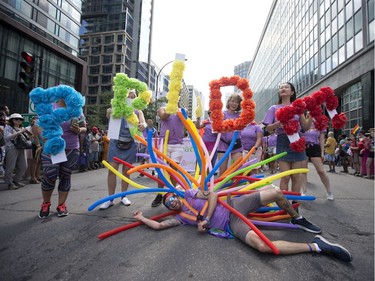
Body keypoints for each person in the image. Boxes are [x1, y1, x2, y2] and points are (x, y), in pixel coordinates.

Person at [133, 187, 352, 262]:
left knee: (276, 192)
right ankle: (317, 246)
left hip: (234, 204)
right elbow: (160, 226)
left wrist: (207, 219)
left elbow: (213, 195)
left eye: (172, 198)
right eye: (169, 204)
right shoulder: (181, 218)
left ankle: (295, 216)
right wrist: (143, 218)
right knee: (265, 247)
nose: (172, 202)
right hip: (233, 224)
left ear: (177, 196)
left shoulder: (190, 194)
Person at [38, 100, 87, 218]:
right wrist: (44, 137)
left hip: (71, 147)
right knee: (49, 175)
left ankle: (61, 205)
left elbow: (84, 127)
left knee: (66, 175)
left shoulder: (76, 109)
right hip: (53, 147)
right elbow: (39, 125)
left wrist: (78, 130)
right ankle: (46, 203)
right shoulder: (49, 107)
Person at [99, 90, 146, 210]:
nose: (130, 95)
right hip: (116, 143)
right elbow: (109, 114)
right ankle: (110, 199)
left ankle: (124, 196)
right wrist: (110, 112)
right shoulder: (117, 108)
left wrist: (142, 125)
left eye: (133, 94)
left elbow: (143, 122)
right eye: (128, 93)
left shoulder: (137, 111)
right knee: (112, 170)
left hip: (130, 144)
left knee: (126, 171)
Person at [262, 82, 312, 193]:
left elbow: (305, 127)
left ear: (292, 92)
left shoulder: (298, 108)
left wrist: (312, 114)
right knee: (285, 176)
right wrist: (278, 124)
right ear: (279, 92)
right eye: (281, 87)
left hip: (297, 140)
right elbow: (268, 129)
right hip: (282, 140)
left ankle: (295, 205)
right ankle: (284, 205)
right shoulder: (273, 108)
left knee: (296, 176)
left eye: (286, 87)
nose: (283, 89)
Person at [150, 103, 185, 207]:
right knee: (161, 170)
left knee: (174, 171)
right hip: (164, 144)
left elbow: (185, 120)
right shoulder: (162, 108)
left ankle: (172, 193)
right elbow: (163, 116)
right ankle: (160, 194)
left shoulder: (182, 110)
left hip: (178, 144)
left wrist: (181, 111)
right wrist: (171, 107)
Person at [300, 123, 333, 200]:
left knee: (321, 171)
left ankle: (329, 192)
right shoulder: (302, 122)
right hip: (303, 147)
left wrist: (322, 152)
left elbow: (322, 139)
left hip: (315, 147)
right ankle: (304, 191)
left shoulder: (320, 124)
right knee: (303, 170)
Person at [217, 94, 243, 176]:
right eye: (232, 101)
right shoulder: (221, 114)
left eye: (237, 102)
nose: (234, 104)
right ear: (229, 102)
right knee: (223, 169)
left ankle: (236, 187)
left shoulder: (240, 115)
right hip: (223, 143)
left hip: (236, 143)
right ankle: (221, 188)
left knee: (239, 168)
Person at [3, 113, 30, 189]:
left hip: (22, 147)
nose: (19, 121)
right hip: (11, 147)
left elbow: (29, 138)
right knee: (10, 166)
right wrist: (19, 132)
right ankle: (9, 183)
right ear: (12, 120)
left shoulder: (22, 128)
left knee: (24, 166)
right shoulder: (8, 127)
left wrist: (28, 135)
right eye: (16, 119)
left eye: (20, 119)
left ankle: (16, 181)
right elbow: (6, 137)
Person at [0, 110, 7, 175]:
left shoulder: (5, 125)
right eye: (3, 115)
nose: (5, 116)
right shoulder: (2, 126)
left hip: (2, 144)